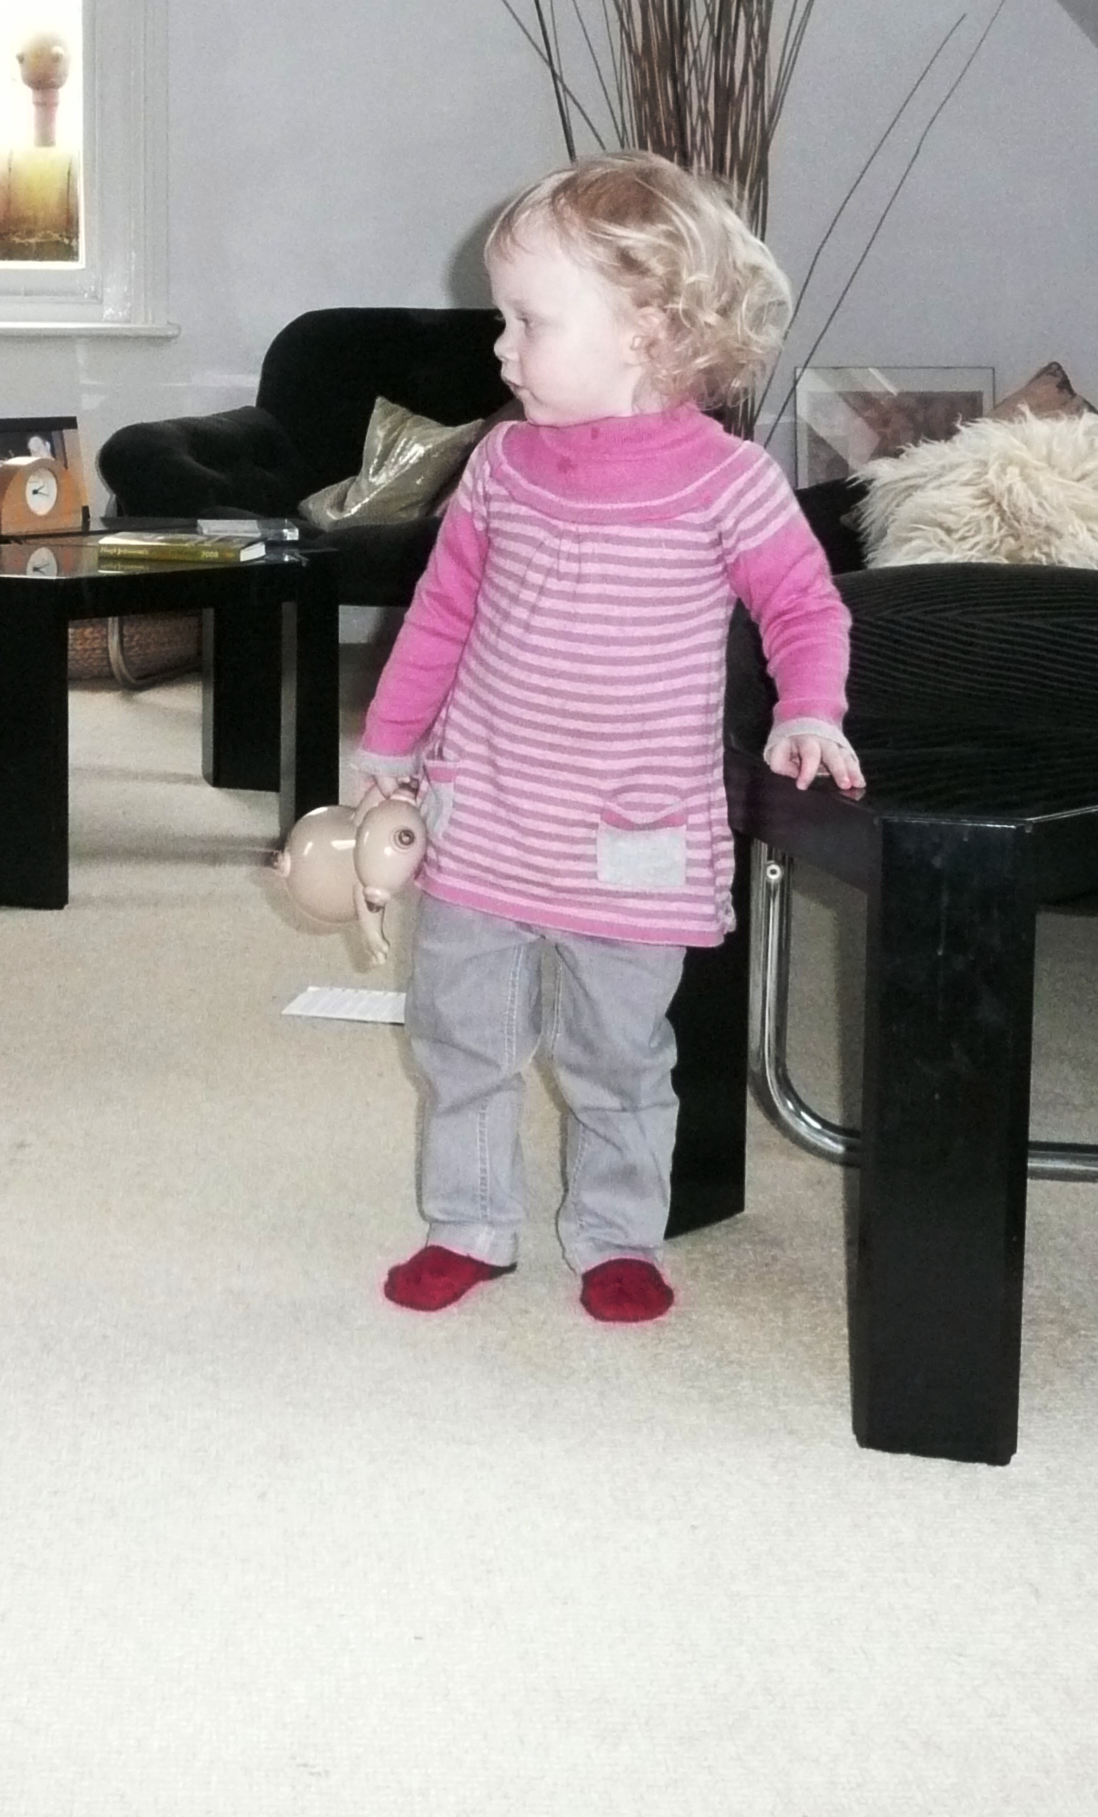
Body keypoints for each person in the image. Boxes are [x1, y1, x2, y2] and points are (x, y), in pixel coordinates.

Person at [353, 151, 864, 1326]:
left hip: (635, 835)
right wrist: (389, 743)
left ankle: (618, 1233)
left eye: (529, 321)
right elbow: (442, 611)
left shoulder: (729, 483)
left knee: (620, 1056)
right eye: (503, 319)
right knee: (461, 1038)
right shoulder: (501, 465)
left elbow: (805, 605)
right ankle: (469, 1222)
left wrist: (811, 706)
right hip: (486, 814)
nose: (501, 348)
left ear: (650, 329)